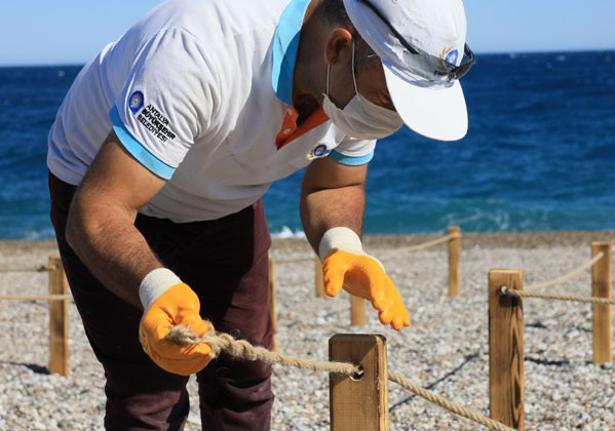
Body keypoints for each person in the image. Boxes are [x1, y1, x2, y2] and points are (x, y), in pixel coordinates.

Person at [46, 0, 473, 428]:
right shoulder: (200, 48)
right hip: (102, 188)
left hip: (222, 197)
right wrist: (155, 287)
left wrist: (342, 245)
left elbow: (335, 184)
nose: (393, 119)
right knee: (150, 385)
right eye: (389, 100)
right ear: (338, 49)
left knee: (244, 373)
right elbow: (98, 212)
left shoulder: (355, 85)